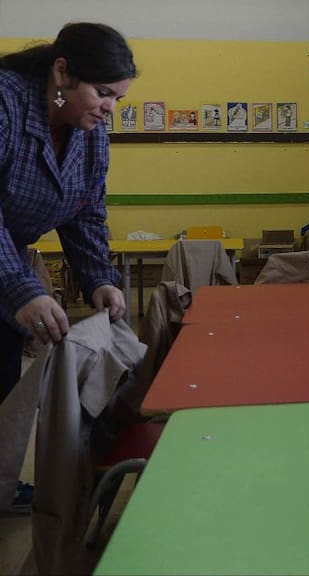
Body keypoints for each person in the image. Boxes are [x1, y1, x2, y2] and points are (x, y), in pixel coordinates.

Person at [0, 22, 136, 511]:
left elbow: (85, 211)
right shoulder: (6, 103)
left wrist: (99, 277)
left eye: (118, 98)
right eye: (102, 93)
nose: (109, 107)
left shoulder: (88, 132)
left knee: (4, 378)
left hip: (5, 254)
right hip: (5, 259)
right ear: (62, 72)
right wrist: (20, 286)